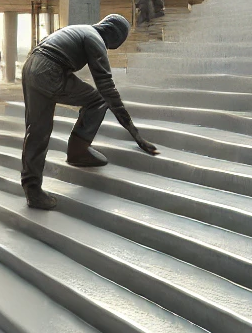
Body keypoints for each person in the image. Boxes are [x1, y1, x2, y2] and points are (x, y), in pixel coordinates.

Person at [20, 14, 159, 210]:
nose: (114, 47)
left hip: (30, 67)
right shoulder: (95, 38)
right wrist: (134, 133)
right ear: (114, 34)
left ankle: (32, 189)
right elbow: (106, 87)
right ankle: (78, 151)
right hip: (49, 70)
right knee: (98, 100)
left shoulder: (78, 28)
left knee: (37, 131)